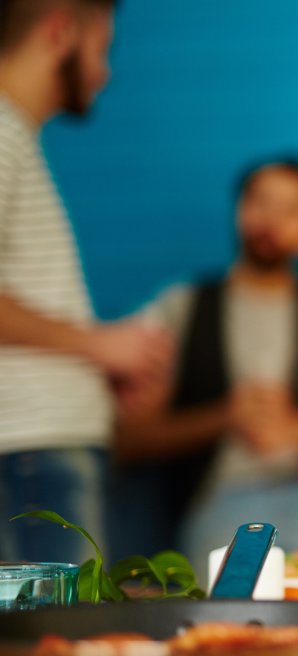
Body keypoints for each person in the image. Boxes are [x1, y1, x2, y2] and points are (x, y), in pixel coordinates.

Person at [116, 158, 298, 574]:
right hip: (221, 499)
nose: (270, 220)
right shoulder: (181, 308)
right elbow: (130, 440)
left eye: (290, 209)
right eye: (260, 202)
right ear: (239, 209)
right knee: (233, 601)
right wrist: (225, 417)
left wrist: (297, 425)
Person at [0, 0, 172, 563]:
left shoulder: (17, 138)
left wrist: (98, 364)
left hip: (38, 456)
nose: (107, 71)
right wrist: (99, 345)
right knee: (50, 649)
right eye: (103, 48)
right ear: (60, 30)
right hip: (28, 457)